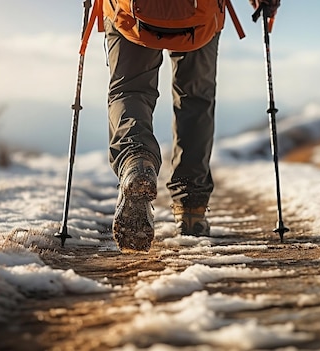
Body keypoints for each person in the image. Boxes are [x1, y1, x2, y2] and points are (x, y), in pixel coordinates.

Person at [102, 0, 280, 252]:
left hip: (128, 10)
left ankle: (136, 161)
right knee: (195, 99)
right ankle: (191, 210)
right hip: (200, 14)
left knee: (130, 91)